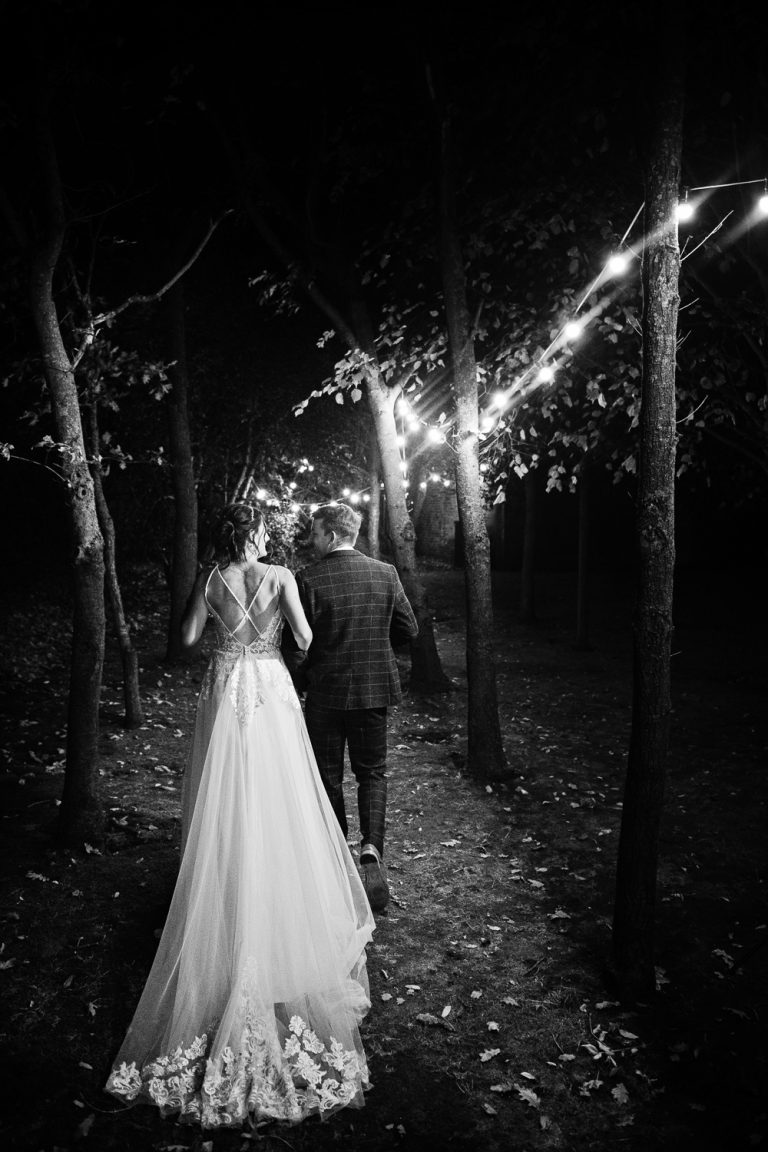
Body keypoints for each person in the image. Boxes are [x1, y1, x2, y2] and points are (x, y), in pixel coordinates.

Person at [105, 502, 375, 1129]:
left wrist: (220, 620)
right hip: (272, 688)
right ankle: (275, 887)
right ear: (255, 534)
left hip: (228, 689)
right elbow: (305, 639)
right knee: (280, 791)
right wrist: (275, 637)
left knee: (226, 794)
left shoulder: (210, 580)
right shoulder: (280, 576)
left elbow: (191, 638)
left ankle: (230, 888)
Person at [295, 503, 419, 914]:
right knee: (372, 773)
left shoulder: (308, 578)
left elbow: (297, 643)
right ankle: (371, 849)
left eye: (314, 533)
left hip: (325, 695)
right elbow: (408, 629)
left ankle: (336, 858)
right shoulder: (385, 573)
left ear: (331, 536)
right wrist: (375, 649)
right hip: (372, 692)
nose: (310, 541)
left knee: (327, 778)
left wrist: (300, 680)